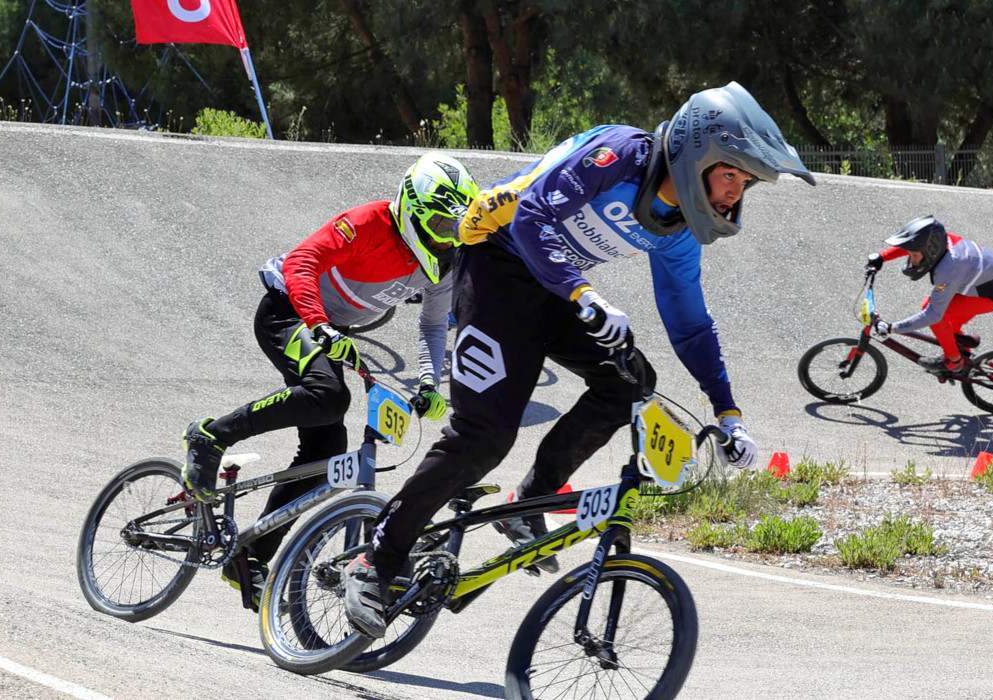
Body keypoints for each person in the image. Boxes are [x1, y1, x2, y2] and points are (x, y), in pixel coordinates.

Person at [338, 82, 817, 637]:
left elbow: (690, 324)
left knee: (628, 382)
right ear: (695, 156)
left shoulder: (679, 228)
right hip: (494, 260)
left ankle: (532, 498)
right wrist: (584, 294)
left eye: (746, 182)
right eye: (731, 174)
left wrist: (728, 413)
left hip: (553, 283)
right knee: (483, 437)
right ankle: (375, 560)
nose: (736, 193)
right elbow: (531, 216)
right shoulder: (621, 155)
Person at [180, 152, 480, 607]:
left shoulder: (444, 262)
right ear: (413, 209)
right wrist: (319, 325)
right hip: (288, 311)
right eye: (439, 224)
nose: (446, 237)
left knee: (326, 452)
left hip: (329, 328)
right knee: (328, 395)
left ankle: (249, 557)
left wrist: (428, 384)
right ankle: (211, 435)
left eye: (454, 227)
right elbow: (302, 260)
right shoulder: (369, 222)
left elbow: (434, 326)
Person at [864, 216, 993, 374]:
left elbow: (933, 314)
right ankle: (962, 352)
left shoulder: (948, 269)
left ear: (930, 252)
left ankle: (954, 361)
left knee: (934, 312)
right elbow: (914, 245)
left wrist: (892, 328)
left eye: (914, 256)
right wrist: (882, 257)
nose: (912, 260)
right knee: (949, 328)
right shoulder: (940, 241)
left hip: (992, 296)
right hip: (987, 279)